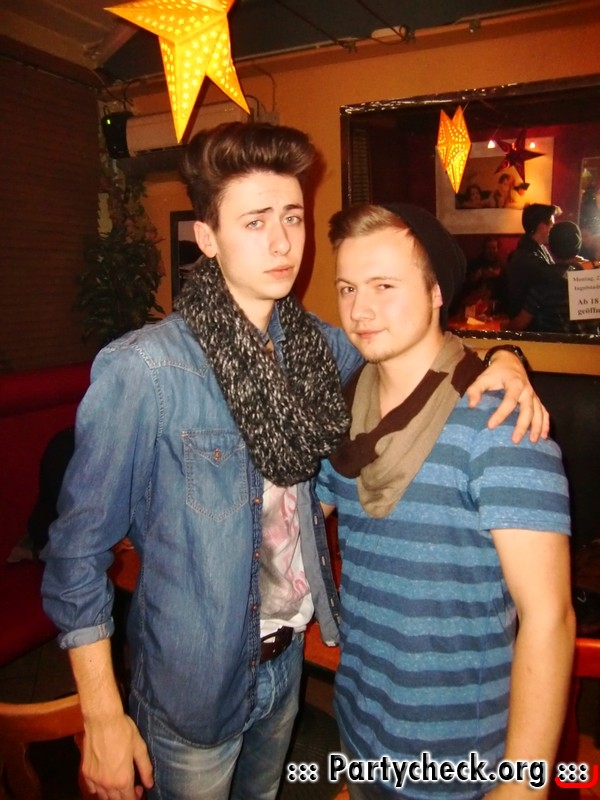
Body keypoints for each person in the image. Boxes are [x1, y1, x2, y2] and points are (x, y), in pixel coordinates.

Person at [41, 123, 547, 800]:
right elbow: (75, 553)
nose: (282, 243)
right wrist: (103, 714)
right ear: (208, 237)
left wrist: (506, 359)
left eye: (292, 217)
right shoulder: (147, 370)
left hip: (286, 668)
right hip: (193, 683)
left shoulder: (321, 351)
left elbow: (412, 338)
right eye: (254, 222)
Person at [317, 203, 575, 800]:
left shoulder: (501, 425)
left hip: (458, 759)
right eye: (348, 287)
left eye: (384, 285)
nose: (359, 310)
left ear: (436, 292)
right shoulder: (346, 408)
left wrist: (524, 785)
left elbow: (549, 618)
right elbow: (296, 518)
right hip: (359, 732)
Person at [505, 202, 560, 320]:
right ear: (542, 227)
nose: (553, 230)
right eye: (551, 226)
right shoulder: (527, 256)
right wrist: (573, 264)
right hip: (528, 325)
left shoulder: (536, 248)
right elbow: (553, 277)